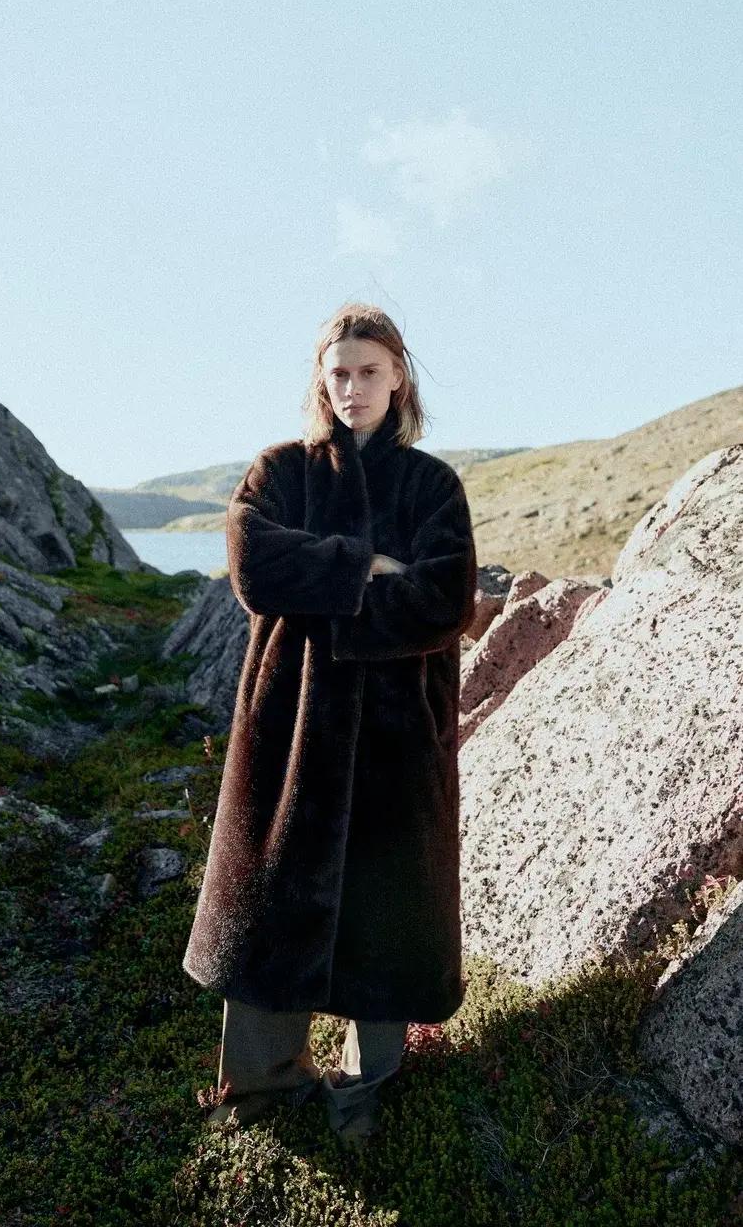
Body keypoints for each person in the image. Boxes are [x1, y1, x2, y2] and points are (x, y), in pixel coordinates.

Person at [182, 302, 478, 1147]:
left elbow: (442, 600)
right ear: (321, 379)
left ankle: (363, 1087)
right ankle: (261, 1086)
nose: (353, 387)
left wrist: (324, 594)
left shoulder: (431, 486)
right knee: (271, 898)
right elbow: (252, 565)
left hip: (397, 735)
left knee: (386, 909)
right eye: (339, 372)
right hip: (289, 723)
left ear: (399, 377)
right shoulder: (279, 472)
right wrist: (363, 567)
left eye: (369, 371)